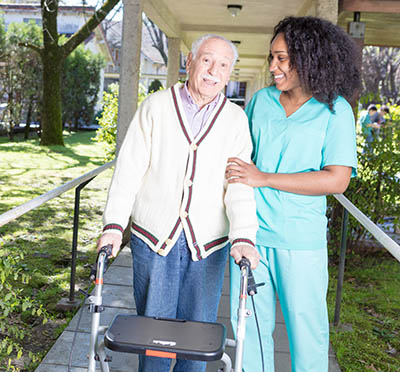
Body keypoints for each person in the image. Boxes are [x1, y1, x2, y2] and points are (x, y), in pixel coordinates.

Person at [97, 34, 260, 372]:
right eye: (206, 60)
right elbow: (129, 170)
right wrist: (114, 225)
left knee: (198, 342)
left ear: (229, 74)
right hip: (154, 237)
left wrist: (244, 235)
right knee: (152, 339)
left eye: (223, 65)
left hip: (208, 245)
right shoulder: (155, 107)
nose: (213, 71)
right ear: (190, 61)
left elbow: (239, 185)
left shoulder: (235, 121)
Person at [226, 16, 360, 372]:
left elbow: (337, 180)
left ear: (309, 58)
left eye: (282, 58)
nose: (273, 66)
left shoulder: (335, 111)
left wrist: (265, 178)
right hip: (251, 235)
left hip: (301, 241)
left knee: (308, 336)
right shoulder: (261, 102)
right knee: (249, 333)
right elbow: (243, 164)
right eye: (272, 57)